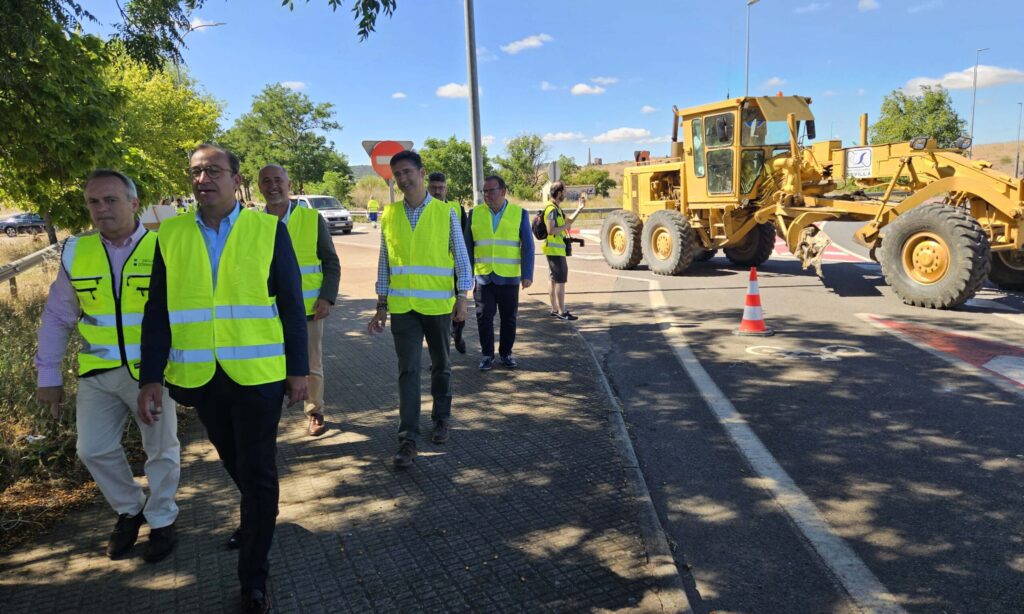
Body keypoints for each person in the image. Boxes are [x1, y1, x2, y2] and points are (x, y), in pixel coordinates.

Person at [137, 143, 308, 613]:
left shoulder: (268, 229)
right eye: (195, 171)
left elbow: (293, 307)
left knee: (257, 472)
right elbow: (157, 312)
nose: (203, 178)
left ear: (237, 180)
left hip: (259, 377)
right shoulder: (168, 235)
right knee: (236, 464)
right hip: (201, 378)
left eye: (214, 170)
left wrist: (300, 372)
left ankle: (254, 577)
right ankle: (259, 515)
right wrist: (150, 376)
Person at [35, 169, 181, 563]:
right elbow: (57, 316)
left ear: (134, 204)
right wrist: (47, 374)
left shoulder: (164, 247)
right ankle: (130, 510)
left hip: (150, 371)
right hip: (97, 372)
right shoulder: (76, 252)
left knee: (161, 449)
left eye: (111, 200)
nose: (101, 209)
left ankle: (163, 519)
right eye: (93, 202)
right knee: (92, 449)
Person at [367, 150, 472, 467]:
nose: (402, 178)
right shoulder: (389, 214)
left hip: (438, 305)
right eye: (397, 174)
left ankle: (441, 418)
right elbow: (385, 262)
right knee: (407, 371)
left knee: (441, 365)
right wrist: (381, 304)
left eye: (407, 172)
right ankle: (408, 439)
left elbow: (462, 257)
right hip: (403, 308)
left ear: (422, 172)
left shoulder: (445, 213)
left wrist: (463, 297)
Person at [259, 164, 340, 437]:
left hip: (308, 310)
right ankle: (268, 416)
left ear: (288, 183)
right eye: (266, 181)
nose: (273, 186)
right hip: (265, 312)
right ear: (259, 187)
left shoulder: (311, 218)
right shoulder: (252, 224)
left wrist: (327, 297)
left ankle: (314, 411)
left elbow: (330, 261)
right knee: (267, 364)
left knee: (311, 365)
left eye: (278, 180)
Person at [464, 175, 534, 370]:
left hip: (509, 277)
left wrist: (527, 274)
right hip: (483, 277)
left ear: (503, 192)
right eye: (484, 191)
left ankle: (506, 354)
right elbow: (468, 246)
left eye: (491, 191)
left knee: (509, 318)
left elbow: (527, 246)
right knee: (483, 317)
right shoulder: (474, 214)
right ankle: (487, 355)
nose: (487, 195)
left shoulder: (519, 214)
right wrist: (466, 274)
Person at [427, 171, 469, 354]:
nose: (437, 191)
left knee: (458, 308)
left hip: (455, 270)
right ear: (427, 188)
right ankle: (440, 355)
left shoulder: (457, 209)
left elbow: (466, 241)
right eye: (434, 188)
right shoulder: (422, 209)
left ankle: (458, 333)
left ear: (446, 189)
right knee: (435, 316)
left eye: (441, 188)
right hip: (433, 271)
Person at [544, 181, 577, 320]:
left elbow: (568, 222)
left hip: (554, 250)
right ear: (558, 193)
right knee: (560, 281)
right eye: (564, 191)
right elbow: (551, 230)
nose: (566, 194)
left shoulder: (556, 208)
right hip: (554, 251)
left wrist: (580, 208)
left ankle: (555, 309)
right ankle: (562, 312)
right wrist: (564, 227)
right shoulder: (551, 209)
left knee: (553, 280)